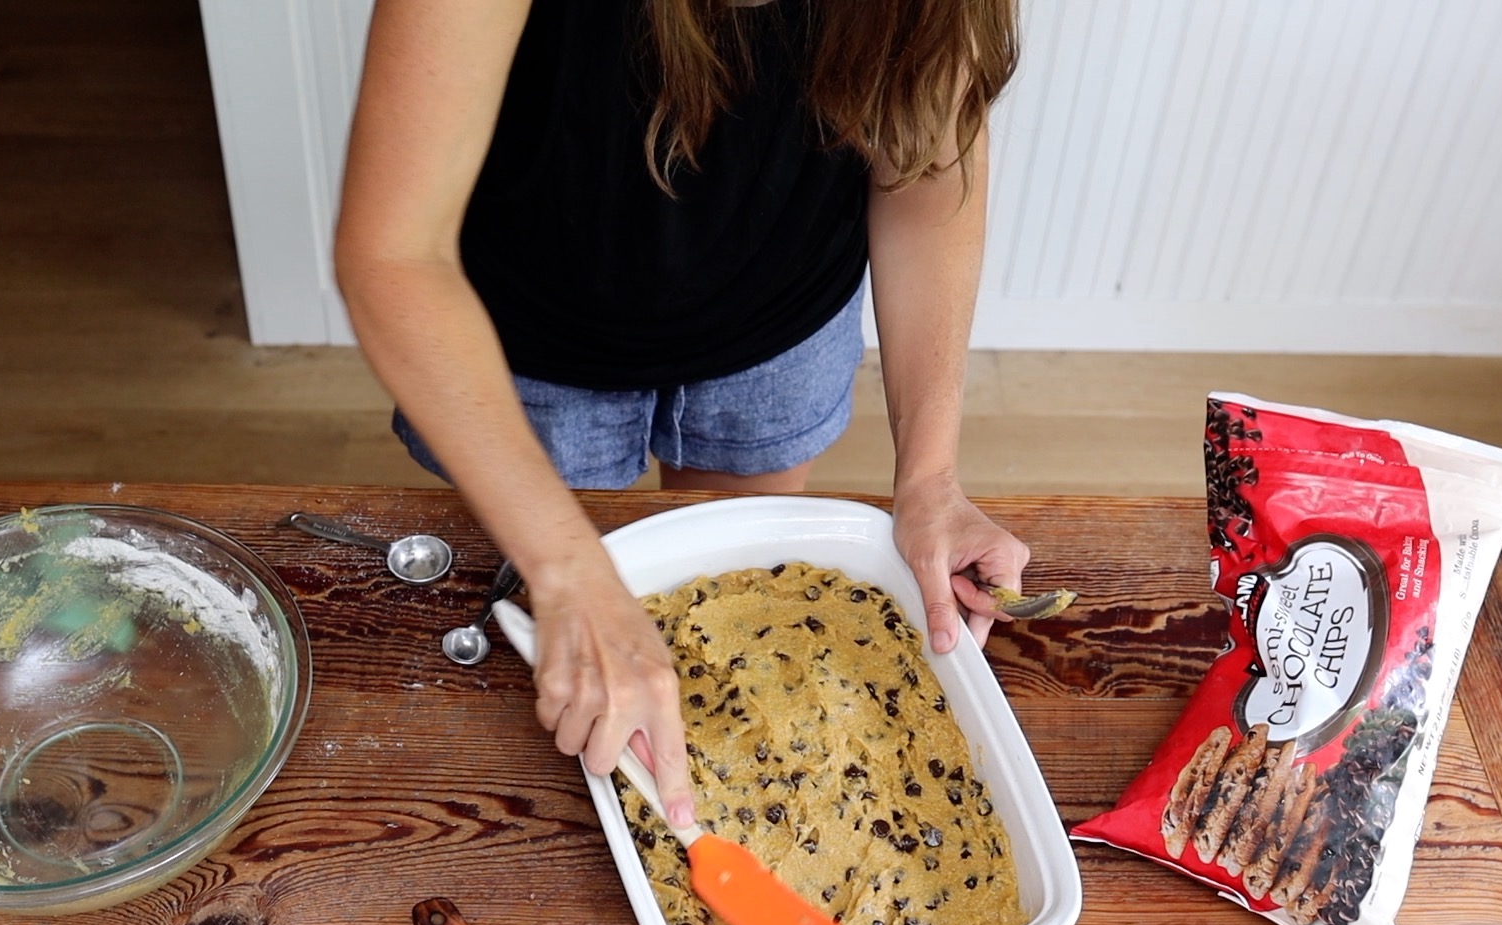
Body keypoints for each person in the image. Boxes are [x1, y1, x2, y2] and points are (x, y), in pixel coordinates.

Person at [334, 0, 1026, 835]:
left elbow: (927, 155)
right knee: (544, 680)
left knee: (731, 640)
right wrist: (567, 572)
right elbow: (393, 253)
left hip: (782, 329)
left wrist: (930, 477)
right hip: (519, 347)